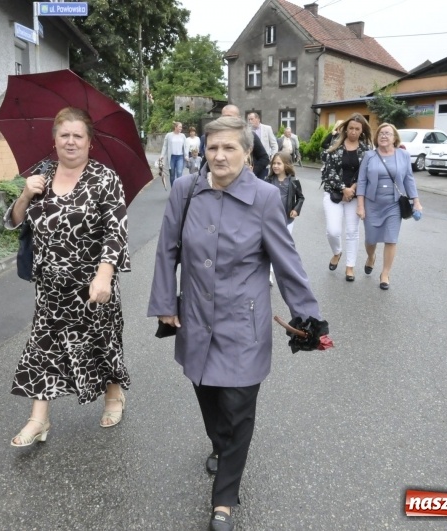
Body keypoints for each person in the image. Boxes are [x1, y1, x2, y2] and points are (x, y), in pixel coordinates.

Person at [148, 116, 326, 531]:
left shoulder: (265, 197)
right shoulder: (185, 190)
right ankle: (220, 444)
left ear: (247, 153)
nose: (219, 155)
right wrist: (164, 303)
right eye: (212, 147)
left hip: (244, 322)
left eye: (229, 147)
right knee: (208, 396)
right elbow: (167, 249)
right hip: (195, 317)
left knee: (238, 408)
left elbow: (286, 261)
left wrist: (309, 317)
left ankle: (224, 499)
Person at [5, 107, 131, 446]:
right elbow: (15, 221)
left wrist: (104, 275)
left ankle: (114, 395)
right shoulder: (42, 175)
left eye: (78, 136)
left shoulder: (105, 178)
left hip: (92, 284)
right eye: (64, 135)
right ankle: (38, 419)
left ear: (90, 142)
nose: (71, 141)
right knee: (43, 347)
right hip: (50, 286)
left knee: (103, 342)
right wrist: (25, 194)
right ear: (55, 140)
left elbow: (116, 231)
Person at [356, 123, 423, 290]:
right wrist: (360, 205)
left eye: (387, 133)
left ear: (394, 138)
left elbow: (409, 179)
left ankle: (385, 273)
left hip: (394, 204)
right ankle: (371, 257)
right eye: (381, 133)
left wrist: (416, 201)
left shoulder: (403, 155)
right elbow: (362, 181)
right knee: (370, 239)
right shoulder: (369, 156)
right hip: (372, 203)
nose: (384, 136)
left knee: (391, 239)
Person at [321, 113, 372, 282]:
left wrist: (353, 189)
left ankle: (350, 266)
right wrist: (343, 189)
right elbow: (328, 171)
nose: (353, 132)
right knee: (333, 231)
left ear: (362, 130)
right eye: (351, 128)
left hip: (355, 196)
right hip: (333, 193)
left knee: (352, 231)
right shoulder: (335, 146)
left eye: (357, 129)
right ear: (346, 129)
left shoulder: (366, 150)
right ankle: (337, 252)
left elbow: (366, 173)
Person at [267, 152, 305, 285]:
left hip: (287, 220)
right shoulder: (268, 180)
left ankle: (286, 271)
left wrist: (296, 209)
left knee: (282, 246)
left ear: (286, 165)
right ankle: (269, 273)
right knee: (270, 245)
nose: (275, 166)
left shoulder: (293, 181)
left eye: (279, 163)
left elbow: (301, 198)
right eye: (274, 163)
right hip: (271, 220)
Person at [160, 121, 186, 187]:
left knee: (179, 173)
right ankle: (173, 189)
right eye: (180, 127)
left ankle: (179, 189)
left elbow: (185, 146)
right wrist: (162, 155)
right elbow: (165, 146)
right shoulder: (169, 135)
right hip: (172, 157)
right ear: (175, 127)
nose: (181, 128)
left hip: (180, 157)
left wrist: (186, 156)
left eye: (181, 127)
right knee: (172, 174)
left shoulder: (183, 136)